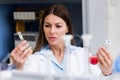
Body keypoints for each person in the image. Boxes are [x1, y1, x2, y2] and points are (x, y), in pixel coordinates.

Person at [10, 4, 113, 78]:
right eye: (47, 26)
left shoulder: (83, 56)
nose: (52, 31)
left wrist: (107, 72)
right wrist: (18, 68)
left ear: (67, 28)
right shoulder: (34, 60)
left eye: (58, 26)